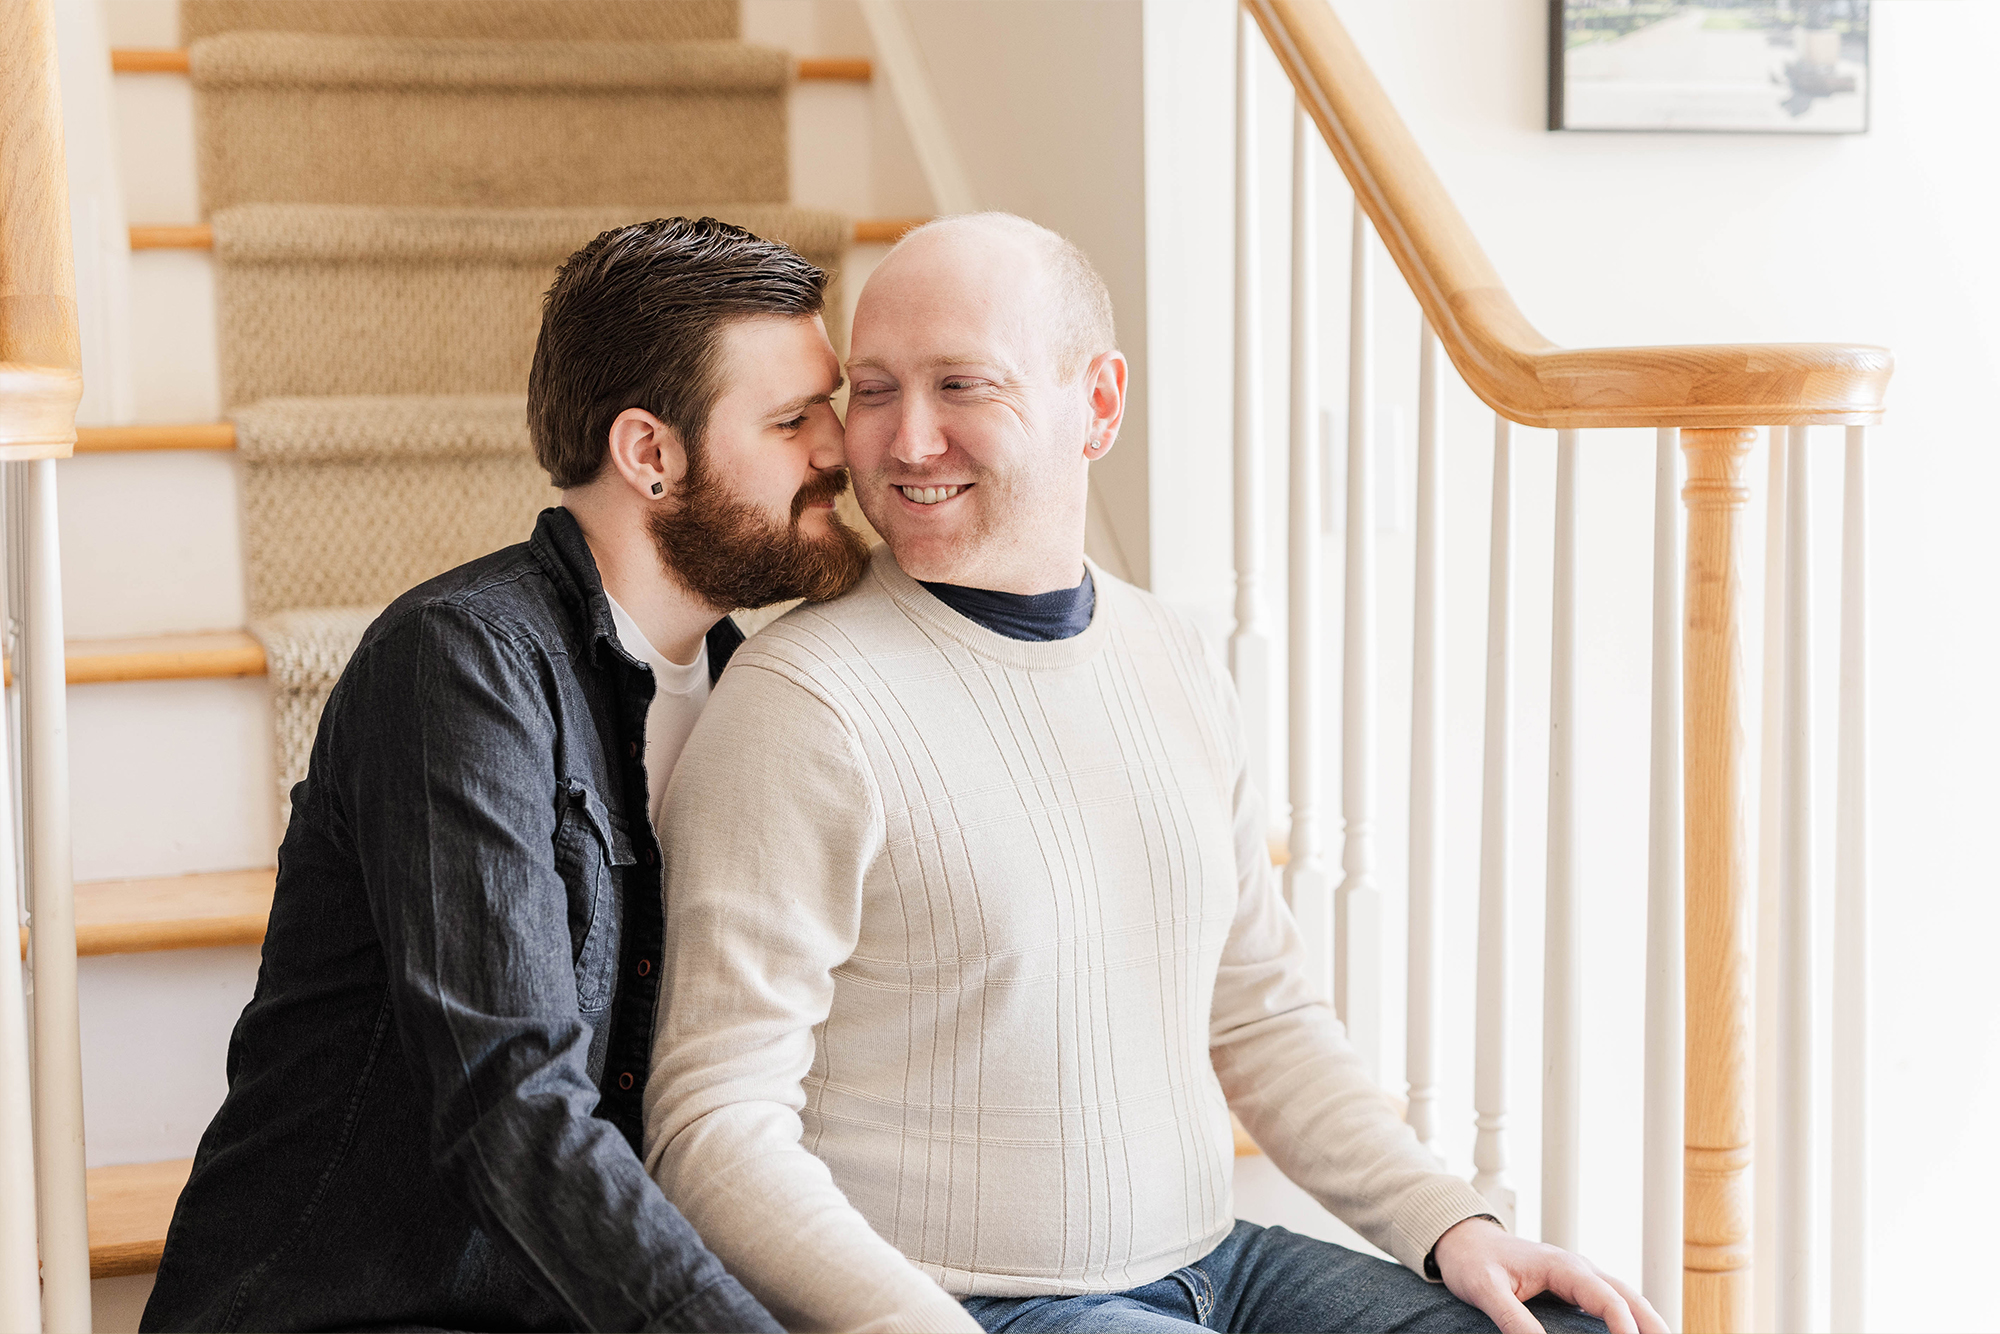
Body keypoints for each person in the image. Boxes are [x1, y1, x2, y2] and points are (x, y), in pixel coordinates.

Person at [642, 214, 1667, 1334]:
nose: (906, 440)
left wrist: (1450, 1222)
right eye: (875, 390)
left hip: (1218, 1263)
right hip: (968, 1301)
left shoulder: (1172, 654)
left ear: (1098, 403)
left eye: (962, 385)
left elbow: (1261, 1011)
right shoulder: (802, 701)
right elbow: (710, 1123)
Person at [143, 217, 869, 1333]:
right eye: (791, 419)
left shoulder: (759, 692)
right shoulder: (460, 665)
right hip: (354, 1311)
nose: (839, 449)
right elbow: (510, 1102)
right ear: (650, 453)